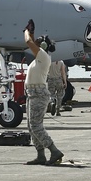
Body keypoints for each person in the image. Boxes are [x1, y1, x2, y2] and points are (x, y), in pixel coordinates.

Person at [23, 19, 64, 165]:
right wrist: (32, 33)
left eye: (40, 41)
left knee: (36, 125)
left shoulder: (43, 56)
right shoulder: (39, 58)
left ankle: (54, 151)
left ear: (44, 46)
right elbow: (32, 42)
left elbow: (29, 42)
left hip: (38, 94)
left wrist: (26, 32)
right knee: (31, 125)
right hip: (32, 93)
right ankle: (40, 155)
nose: (37, 42)